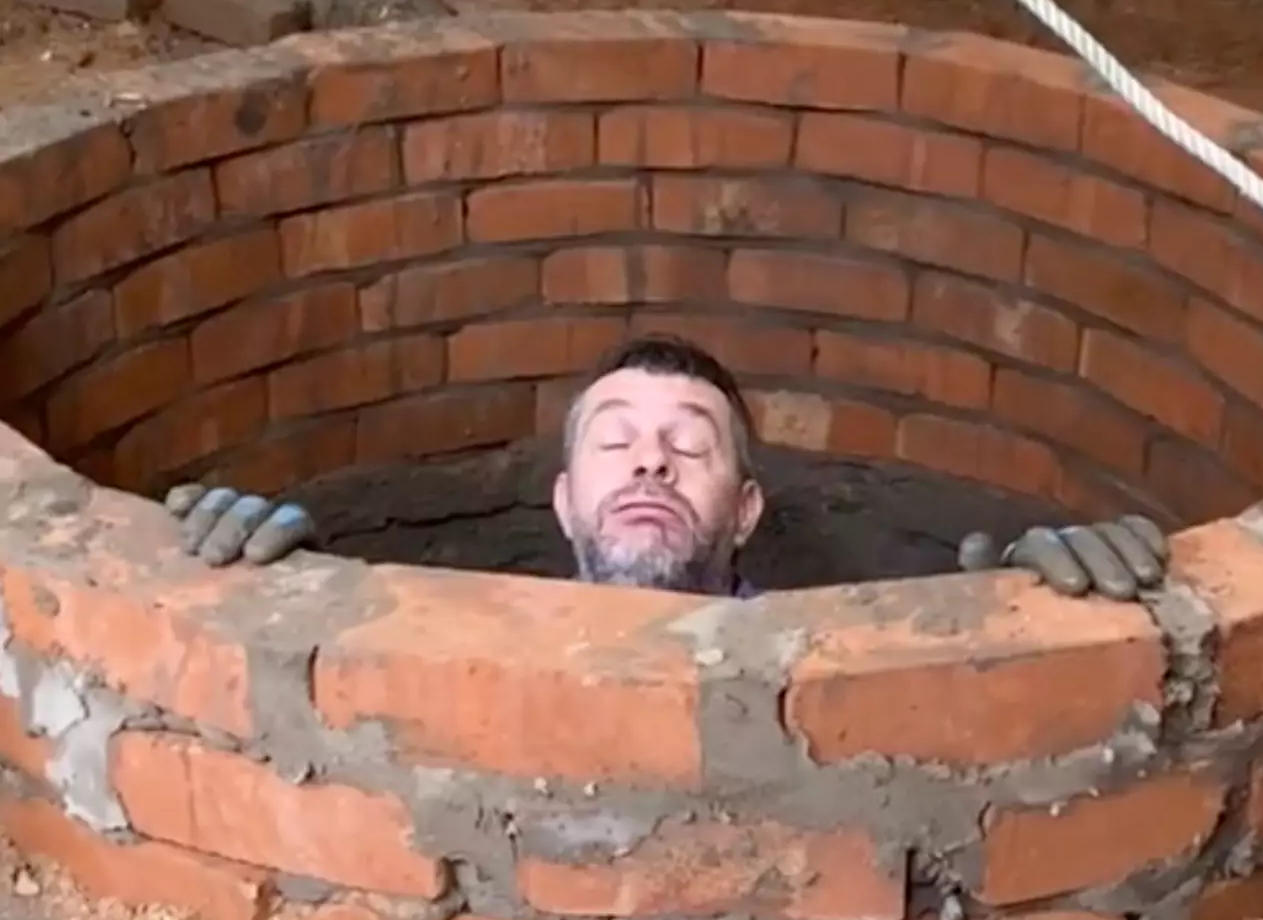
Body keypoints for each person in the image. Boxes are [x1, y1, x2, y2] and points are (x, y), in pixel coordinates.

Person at [164, 333, 1168, 601]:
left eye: (692, 442)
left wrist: (1043, 600)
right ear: (562, 502)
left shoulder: (828, 668)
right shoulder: (456, 639)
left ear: (745, 510)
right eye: (615, 439)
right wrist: (247, 573)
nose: (651, 454)